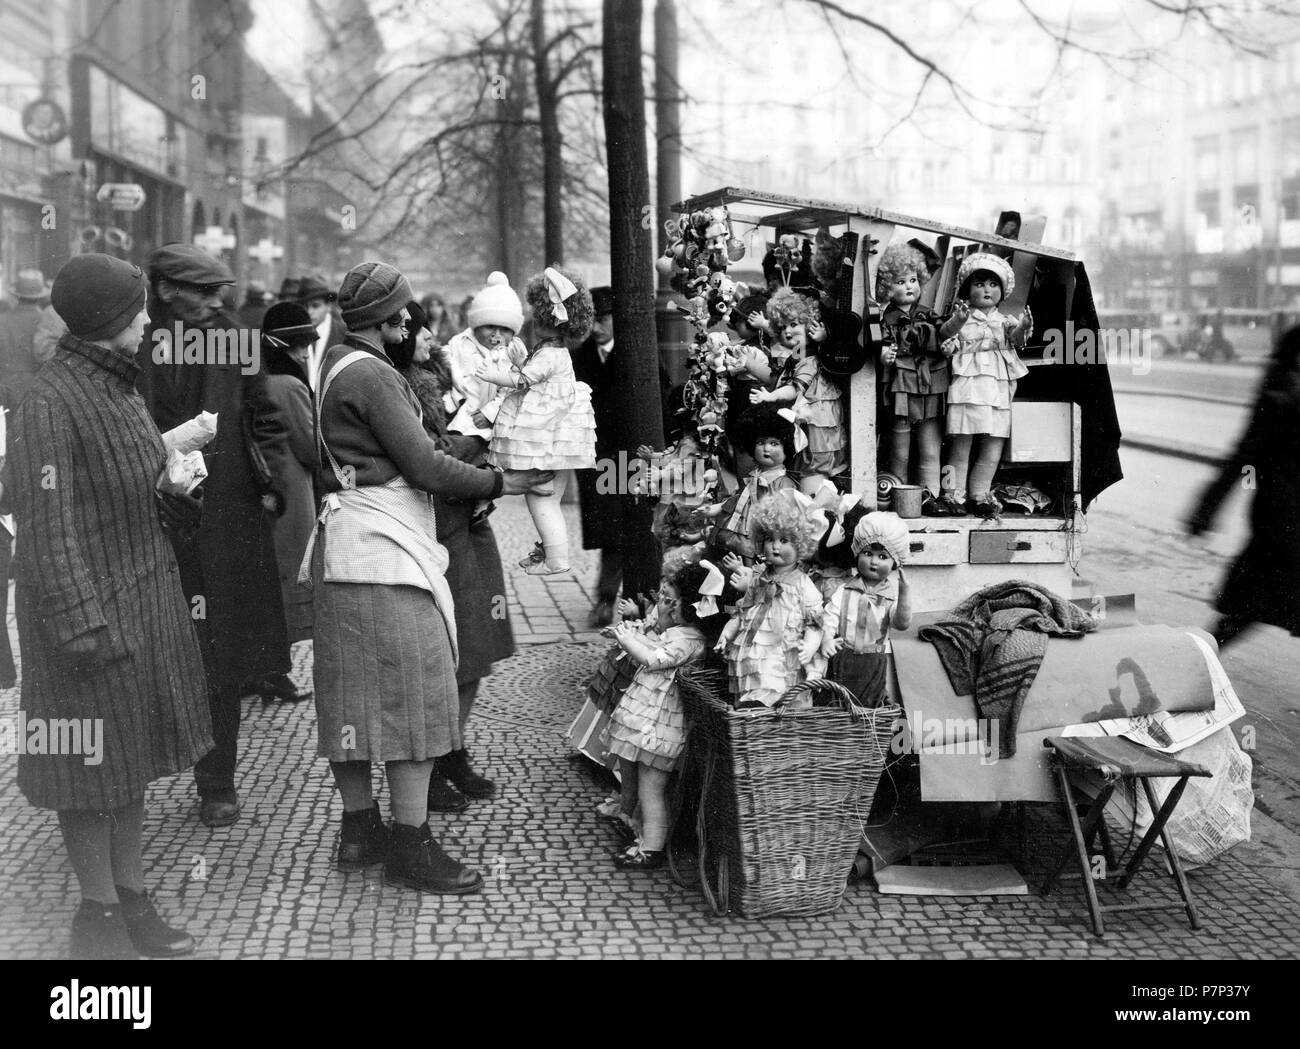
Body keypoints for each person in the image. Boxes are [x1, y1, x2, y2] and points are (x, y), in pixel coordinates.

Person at [3, 253, 211, 959]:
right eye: (138, 310)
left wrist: (171, 487)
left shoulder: (118, 387)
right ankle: (96, 920)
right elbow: (46, 526)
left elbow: (126, 480)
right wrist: (81, 627)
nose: (150, 320)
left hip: (139, 602)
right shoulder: (48, 403)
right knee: (86, 773)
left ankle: (132, 897)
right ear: (105, 321)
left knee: (126, 767)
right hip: (88, 620)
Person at [307, 261, 539, 893]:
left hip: (341, 546)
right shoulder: (375, 376)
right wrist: (502, 481)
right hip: (383, 550)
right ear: (394, 320)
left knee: (349, 692)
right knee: (420, 687)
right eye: (405, 314)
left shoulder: (332, 363)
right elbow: (427, 467)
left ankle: (360, 829)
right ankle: (411, 844)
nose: (415, 323)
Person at [136, 242, 300, 829]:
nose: (215, 301)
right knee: (155, 648)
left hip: (227, 515)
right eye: (202, 292)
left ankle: (216, 781)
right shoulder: (136, 336)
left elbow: (266, 412)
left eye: (218, 291)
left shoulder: (233, 338)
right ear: (164, 291)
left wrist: (270, 477)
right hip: (151, 513)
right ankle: (131, 777)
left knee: (222, 652)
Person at [389, 300, 515, 812]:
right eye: (417, 331)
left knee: (476, 652)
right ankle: (434, 761)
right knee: (447, 656)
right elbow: (434, 460)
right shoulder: (401, 388)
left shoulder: (440, 374)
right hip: (437, 530)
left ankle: (452, 751)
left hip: (468, 524)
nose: (427, 338)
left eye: (426, 330)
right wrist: (478, 431)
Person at [478, 265, 598, 576]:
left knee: (540, 498)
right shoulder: (552, 351)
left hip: (547, 436)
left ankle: (556, 559)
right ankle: (552, 554)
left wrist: (494, 374)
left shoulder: (549, 353)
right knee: (548, 497)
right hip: (555, 435)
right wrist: (521, 361)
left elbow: (522, 381)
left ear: (549, 321)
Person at [1188, 324, 1300, 649]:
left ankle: (1195, 667)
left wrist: (1207, 507)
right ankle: (1193, 669)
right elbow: (1246, 454)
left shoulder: (1279, 388)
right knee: (1246, 610)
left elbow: (1243, 455)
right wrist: (1207, 507)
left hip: (1278, 520)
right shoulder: (1280, 395)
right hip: (1282, 521)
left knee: (1245, 611)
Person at [606, 562, 719, 869]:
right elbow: (653, 644)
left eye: (673, 602)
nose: (666, 607)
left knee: (652, 788)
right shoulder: (679, 632)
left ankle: (653, 847)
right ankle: (641, 832)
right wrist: (629, 634)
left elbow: (654, 657)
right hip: (651, 724)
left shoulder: (689, 640)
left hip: (661, 729)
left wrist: (626, 639)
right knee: (646, 785)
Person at [260, 302, 320, 645]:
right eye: (298, 346)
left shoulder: (262, 379)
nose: (304, 355)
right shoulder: (290, 386)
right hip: (294, 490)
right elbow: (311, 448)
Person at [572, 285, 624, 624]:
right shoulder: (580, 357)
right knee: (610, 530)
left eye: (602, 319)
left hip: (628, 453)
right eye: (592, 320)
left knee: (625, 529)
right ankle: (606, 598)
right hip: (596, 456)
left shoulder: (636, 352)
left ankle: (614, 597)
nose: (596, 328)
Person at [0, 267, 52, 409]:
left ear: (17, 295)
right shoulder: (47, 321)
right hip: (37, 386)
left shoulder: (2, 320)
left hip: (5, 387)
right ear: (40, 295)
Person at [298, 274, 347, 388]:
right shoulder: (294, 334)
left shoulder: (344, 333)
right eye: (305, 306)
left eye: (315, 306)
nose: (309, 312)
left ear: (328, 306)